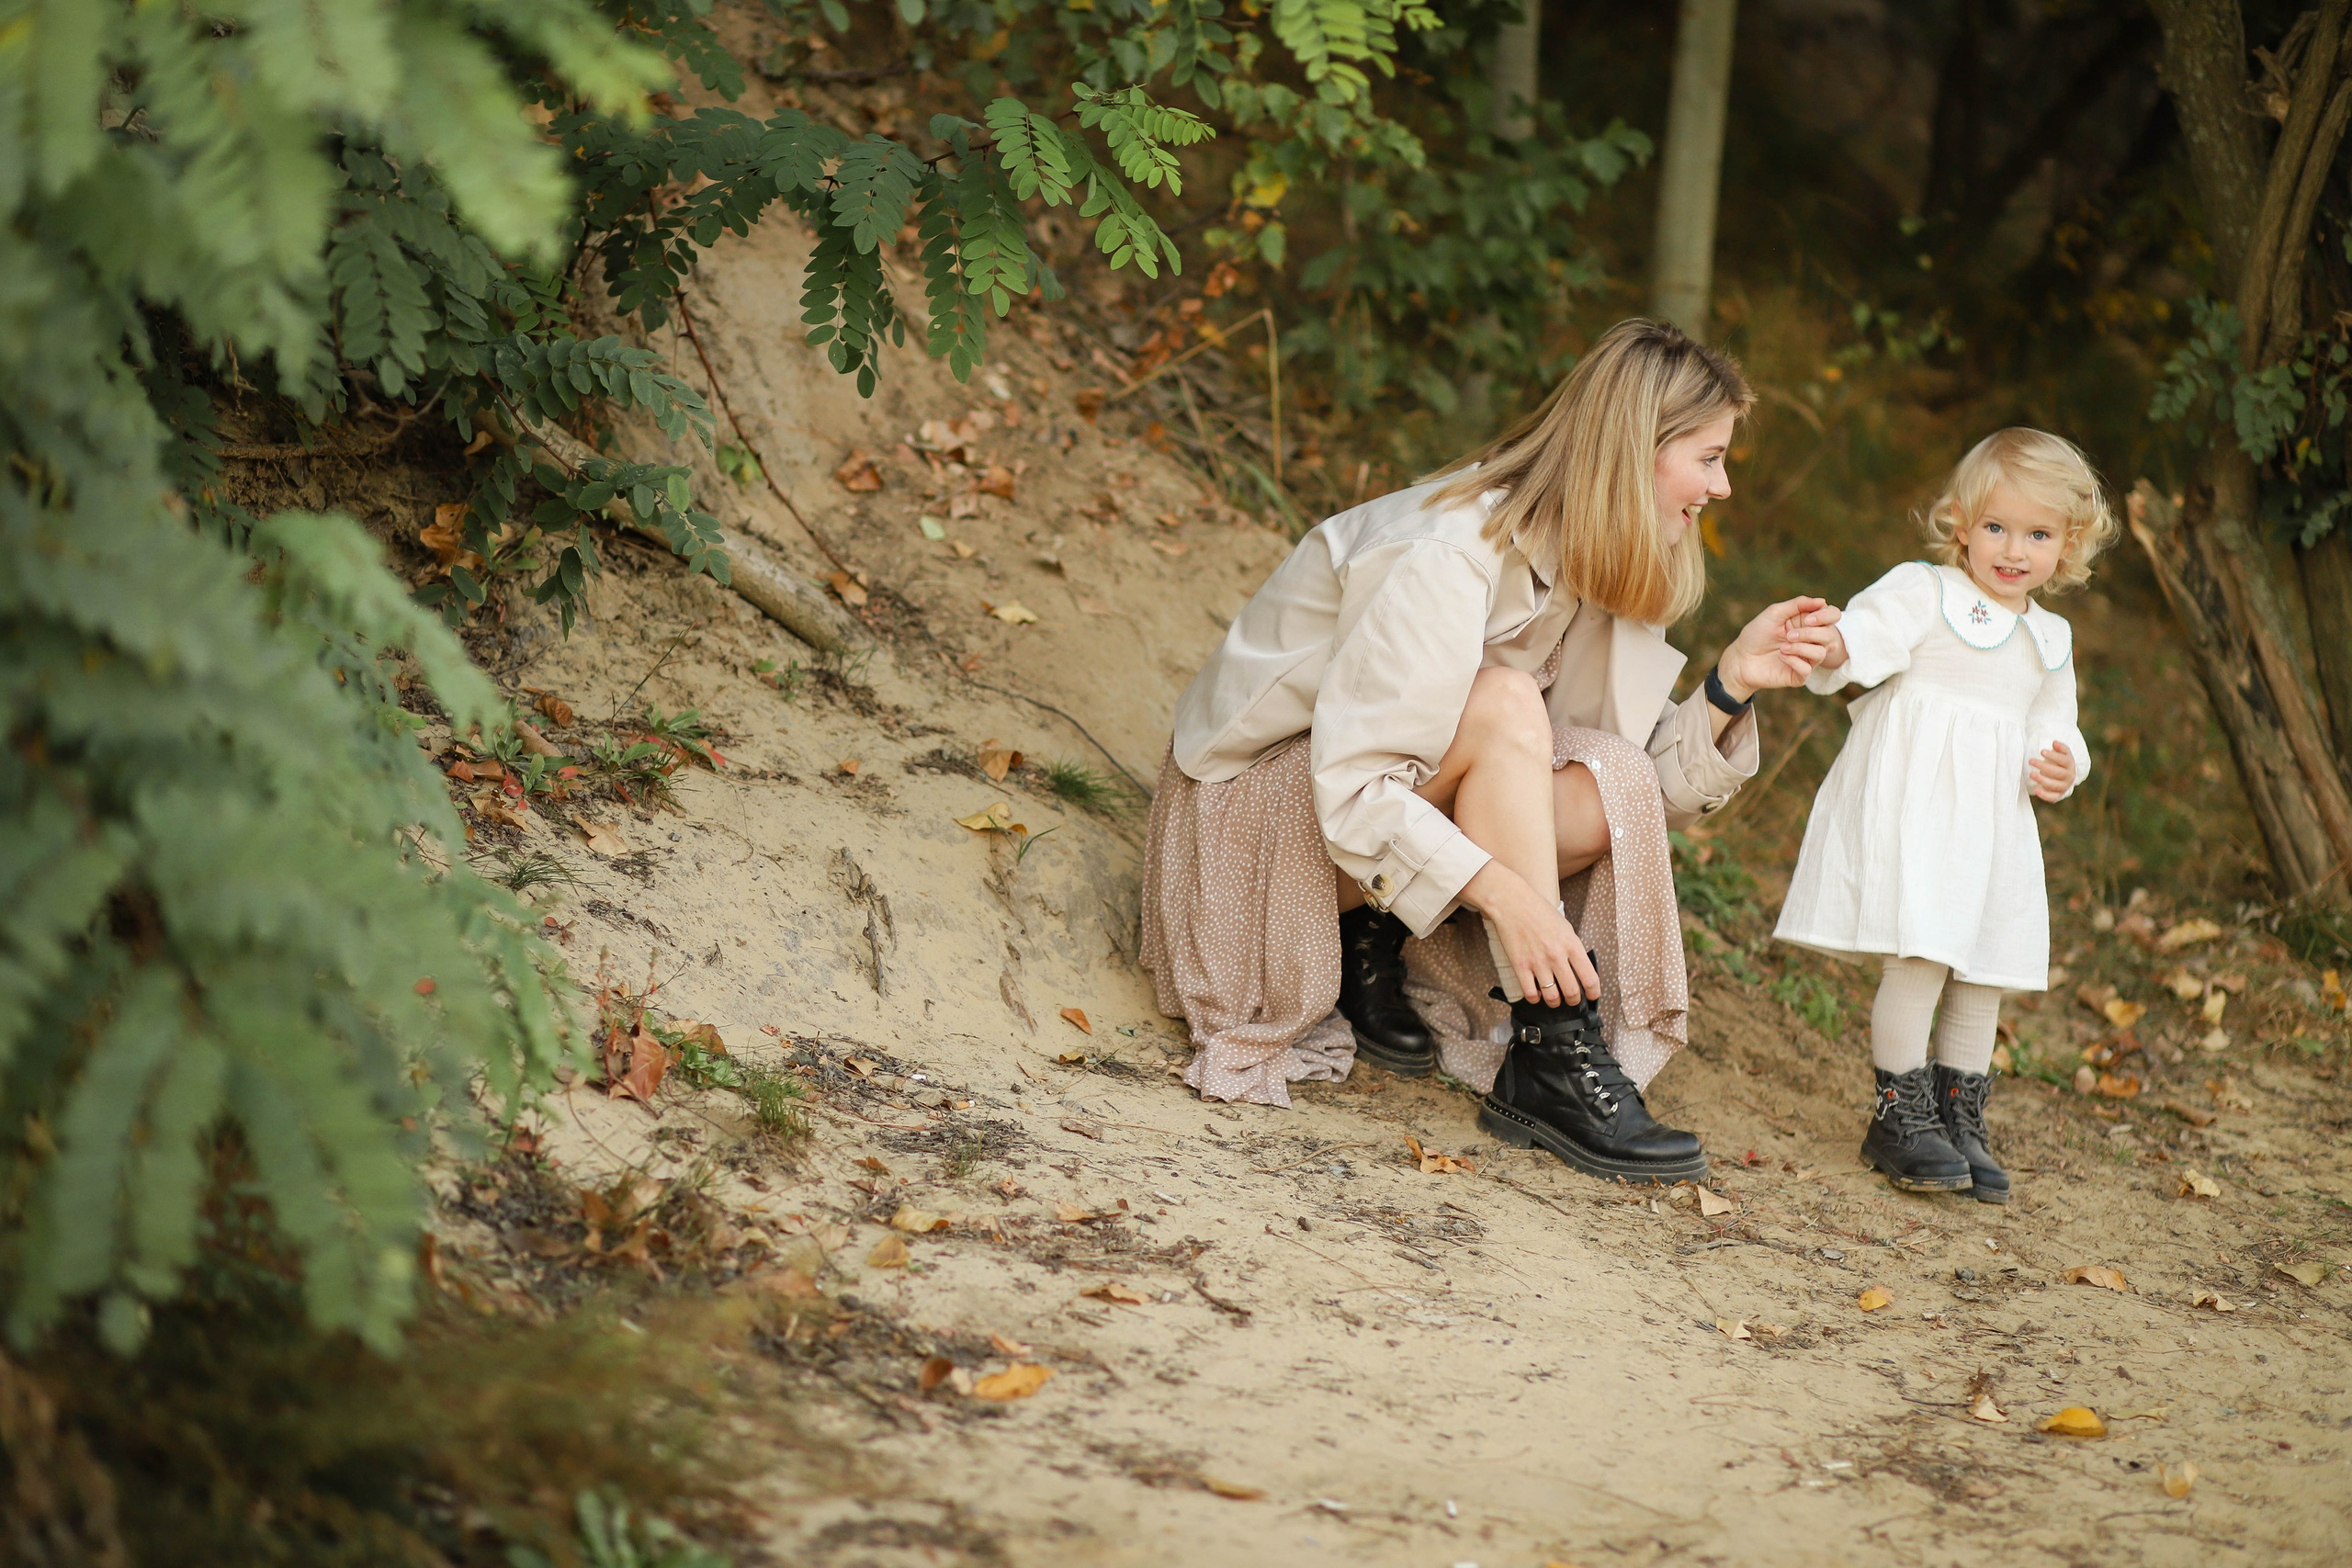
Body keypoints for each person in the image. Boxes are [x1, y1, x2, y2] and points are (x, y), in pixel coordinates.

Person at [1139, 319, 1842, 1185]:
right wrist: (1508, 895)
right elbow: (1356, 786)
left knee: (1606, 776)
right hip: (1244, 843)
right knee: (1508, 702)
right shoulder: (1446, 550)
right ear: (1635, 450)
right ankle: (1553, 1045)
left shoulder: (1590, 563)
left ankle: (1395, 954)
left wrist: (1733, 681)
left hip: (1345, 840)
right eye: (1709, 457)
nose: (1724, 485)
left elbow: (1629, 799)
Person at [1774, 428, 2118, 1203]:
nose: (2012, 549)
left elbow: (2054, 722)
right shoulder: (1924, 594)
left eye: (2036, 534)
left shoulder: (2050, 636)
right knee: (1923, 953)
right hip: (1921, 812)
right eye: (1995, 526)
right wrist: (1830, 645)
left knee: (1982, 968)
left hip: (1995, 826)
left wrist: (2064, 761)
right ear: (1960, 523)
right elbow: (1863, 640)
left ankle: (1961, 1118)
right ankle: (1900, 1110)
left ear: (2066, 546)